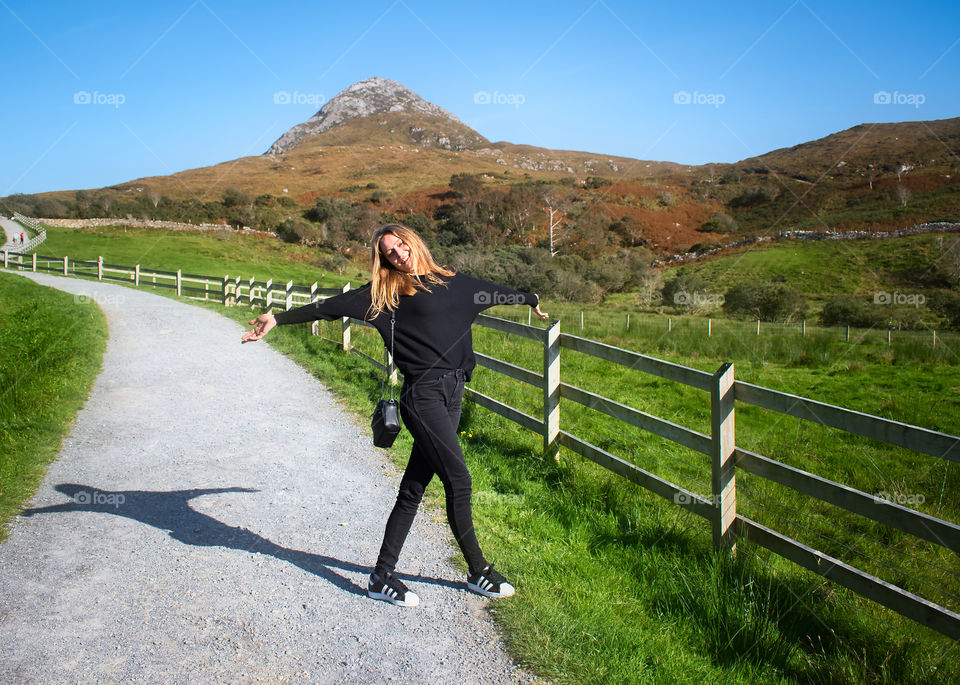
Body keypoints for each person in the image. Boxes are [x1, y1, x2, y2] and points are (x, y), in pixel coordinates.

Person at [242, 223, 548, 608]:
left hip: (454, 393)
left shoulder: (453, 281)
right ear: (384, 260)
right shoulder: (383, 294)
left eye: (400, 244)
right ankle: (478, 570)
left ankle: (381, 576)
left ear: (413, 241)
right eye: (389, 252)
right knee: (459, 480)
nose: (398, 253)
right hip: (422, 397)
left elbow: (493, 291)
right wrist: (279, 319)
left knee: (414, 488)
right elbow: (330, 307)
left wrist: (529, 298)